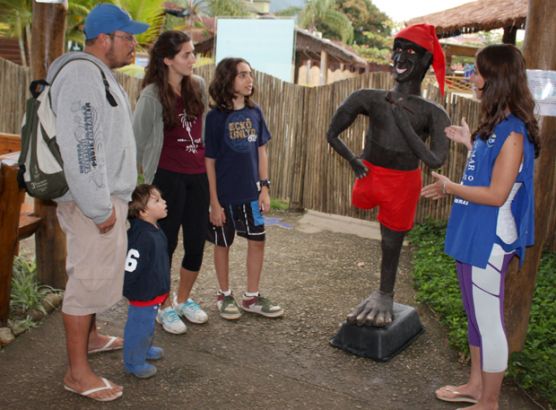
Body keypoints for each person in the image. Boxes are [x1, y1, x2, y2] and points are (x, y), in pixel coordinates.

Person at [421, 44, 539, 409]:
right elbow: (492, 169)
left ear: (497, 78)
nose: (472, 78)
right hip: (473, 231)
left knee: (489, 321)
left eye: (477, 71)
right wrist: (470, 142)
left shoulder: (514, 132)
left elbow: (497, 193)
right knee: (475, 316)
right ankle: (475, 386)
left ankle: (490, 401)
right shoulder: (498, 125)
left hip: (490, 238)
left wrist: (450, 186)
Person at [49, 3, 148, 402]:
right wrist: (97, 206)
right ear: (104, 38)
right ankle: (77, 374)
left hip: (103, 198)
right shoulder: (81, 76)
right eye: (128, 37)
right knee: (86, 280)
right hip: (93, 201)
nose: (134, 44)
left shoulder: (96, 76)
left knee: (93, 276)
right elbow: (83, 147)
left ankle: (89, 338)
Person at [326, 24, 450, 327]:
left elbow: (436, 160)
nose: (401, 57)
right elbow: (332, 133)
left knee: (391, 242)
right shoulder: (368, 97)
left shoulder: (434, 113)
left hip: (403, 184)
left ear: (424, 62)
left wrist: (403, 122)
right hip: (370, 175)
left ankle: (385, 293)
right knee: (382, 229)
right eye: (398, 50)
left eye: (410, 52)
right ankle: (382, 293)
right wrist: (354, 159)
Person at [133, 31, 209, 335]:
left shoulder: (199, 87)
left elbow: (202, 134)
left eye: (193, 53)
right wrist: (141, 188)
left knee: (195, 242)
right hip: (166, 178)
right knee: (166, 244)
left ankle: (184, 300)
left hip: (198, 176)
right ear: (167, 59)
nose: (193, 59)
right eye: (186, 54)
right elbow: (136, 143)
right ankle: (162, 307)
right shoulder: (152, 94)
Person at [204, 57, 283, 320]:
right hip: (224, 196)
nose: (250, 80)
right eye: (242, 75)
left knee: (258, 241)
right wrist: (214, 202)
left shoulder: (255, 112)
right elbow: (210, 162)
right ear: (228, 79)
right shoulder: (214, 118)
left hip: (251, 195)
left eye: (250, 74)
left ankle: (251, 297)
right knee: (223, 244)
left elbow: (262, 153)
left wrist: (265, 188)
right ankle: (224, 295)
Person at [123, 185, 169, 378]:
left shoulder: (154, 229)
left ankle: (144, 348)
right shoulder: (141, 236)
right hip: (143, 293)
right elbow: (130, 266)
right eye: (157, 200)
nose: (164, 202)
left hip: (153, 291)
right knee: (139, 325)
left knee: (148, 324)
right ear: (142, 212)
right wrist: (130, 288)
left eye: (161, 198)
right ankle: (134, 361)